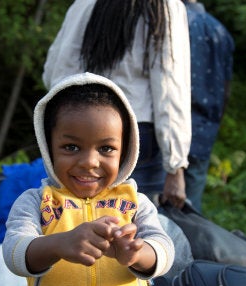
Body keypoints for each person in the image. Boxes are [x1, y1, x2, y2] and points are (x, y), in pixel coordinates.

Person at [2, 72, 174, 286]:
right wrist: (59, 244)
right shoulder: (35, 201)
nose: (90, 162)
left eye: (106, 148)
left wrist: (137, 253)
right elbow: (14, 252)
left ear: (124, 150)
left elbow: (165, 250)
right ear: (49, 147)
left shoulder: (136, 203)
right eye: (71, 147)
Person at [42, 0, 191, 209]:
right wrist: (175, 164)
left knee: (69, 213)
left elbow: (54, 71)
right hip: (134, 131)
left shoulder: (84, 3)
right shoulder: (163, 5)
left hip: (73, 123)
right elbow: (169, 86)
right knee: (132, 225)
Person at [182, 0, 235, 213]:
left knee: (151, 210)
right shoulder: (221, 31)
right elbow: (226, 87)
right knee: (191, 210)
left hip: (168, 124)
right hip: (205, 127)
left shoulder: (172, 21)